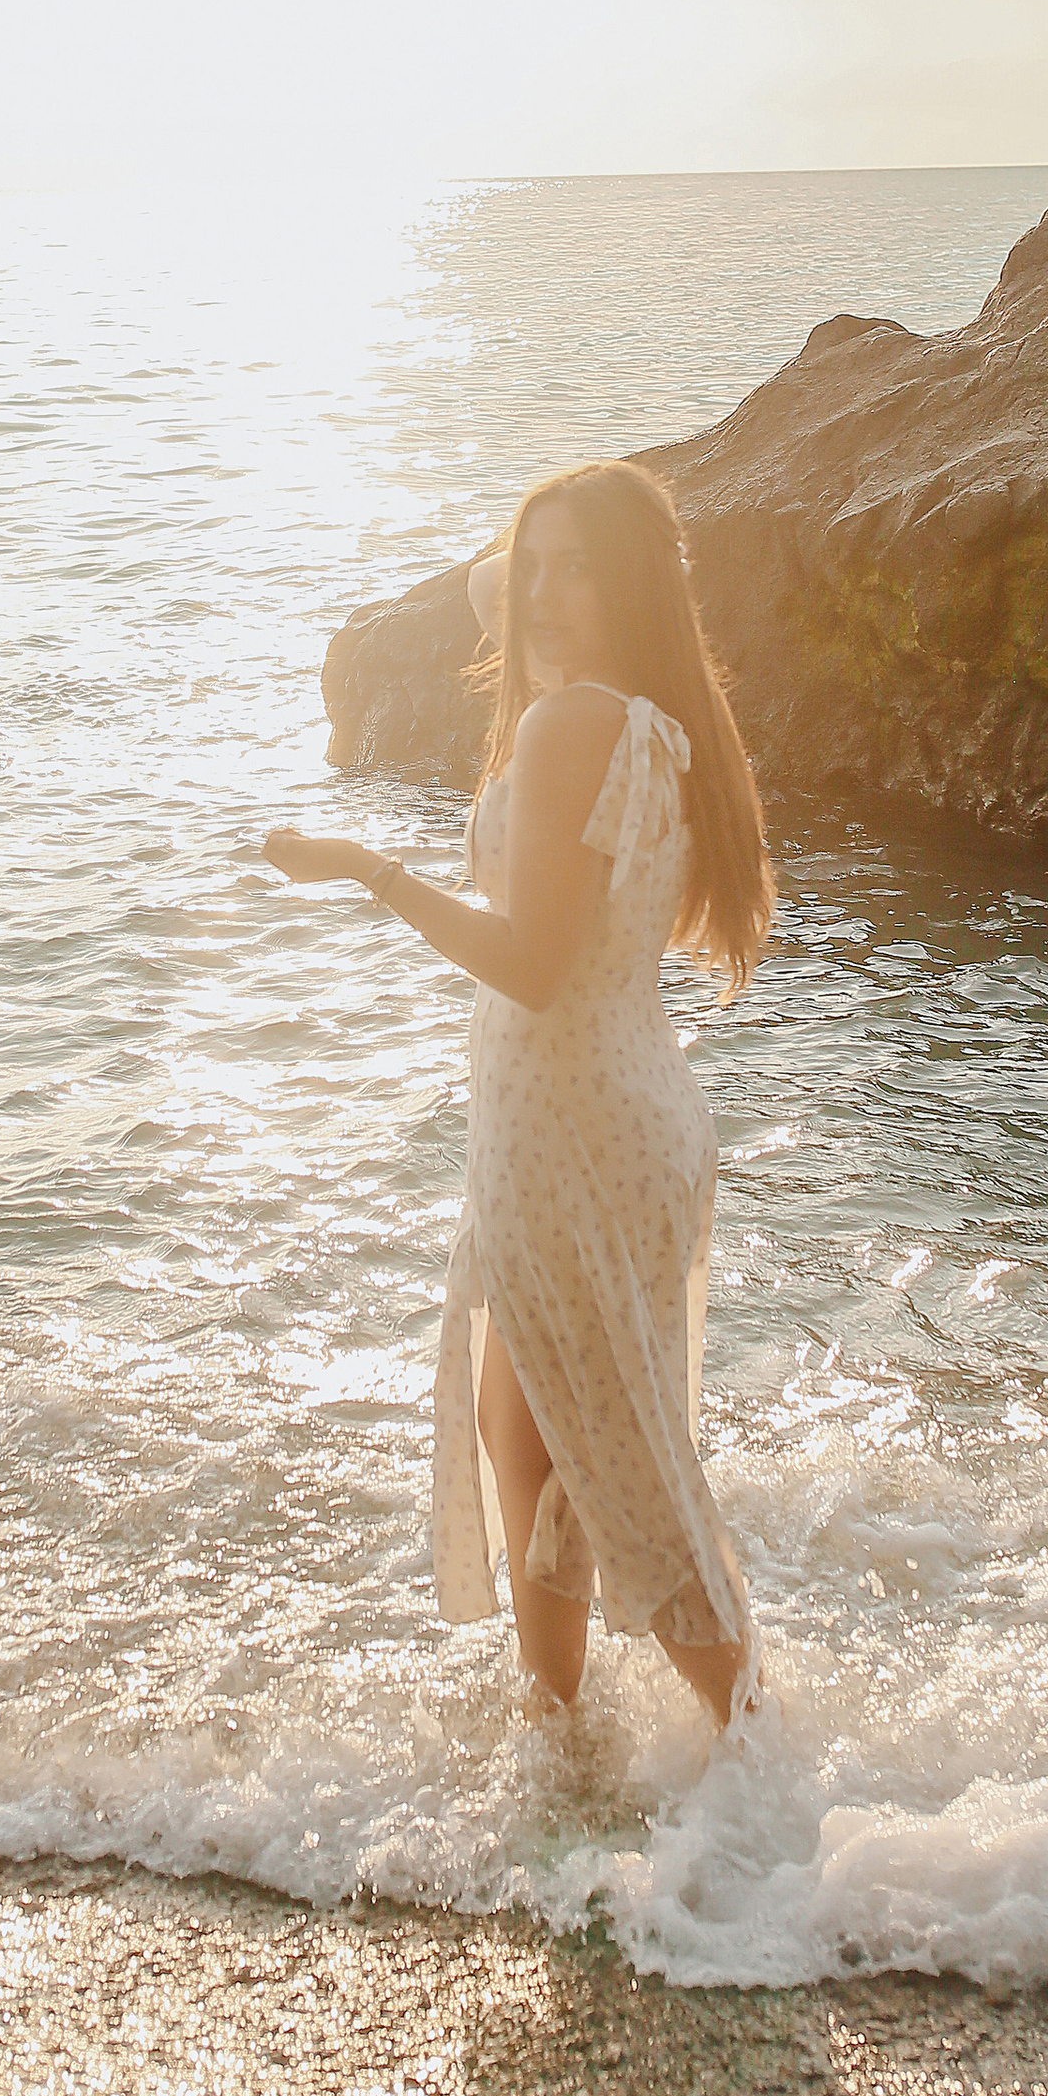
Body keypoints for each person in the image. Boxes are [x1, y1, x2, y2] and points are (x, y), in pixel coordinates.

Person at [264, 460, 775, 1728]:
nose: (539, 593)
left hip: (575, 1130)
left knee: (617, 1470)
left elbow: (532, 966)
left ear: (632, 582)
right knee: (532, 1441)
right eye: (529, 565)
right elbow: (514, 599)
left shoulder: (568, 727)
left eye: (576, 566)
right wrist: (547, 568)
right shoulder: (658, 717)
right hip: (602, 1112)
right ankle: (561, 1742)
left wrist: (366, 869)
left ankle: (755, 1751)